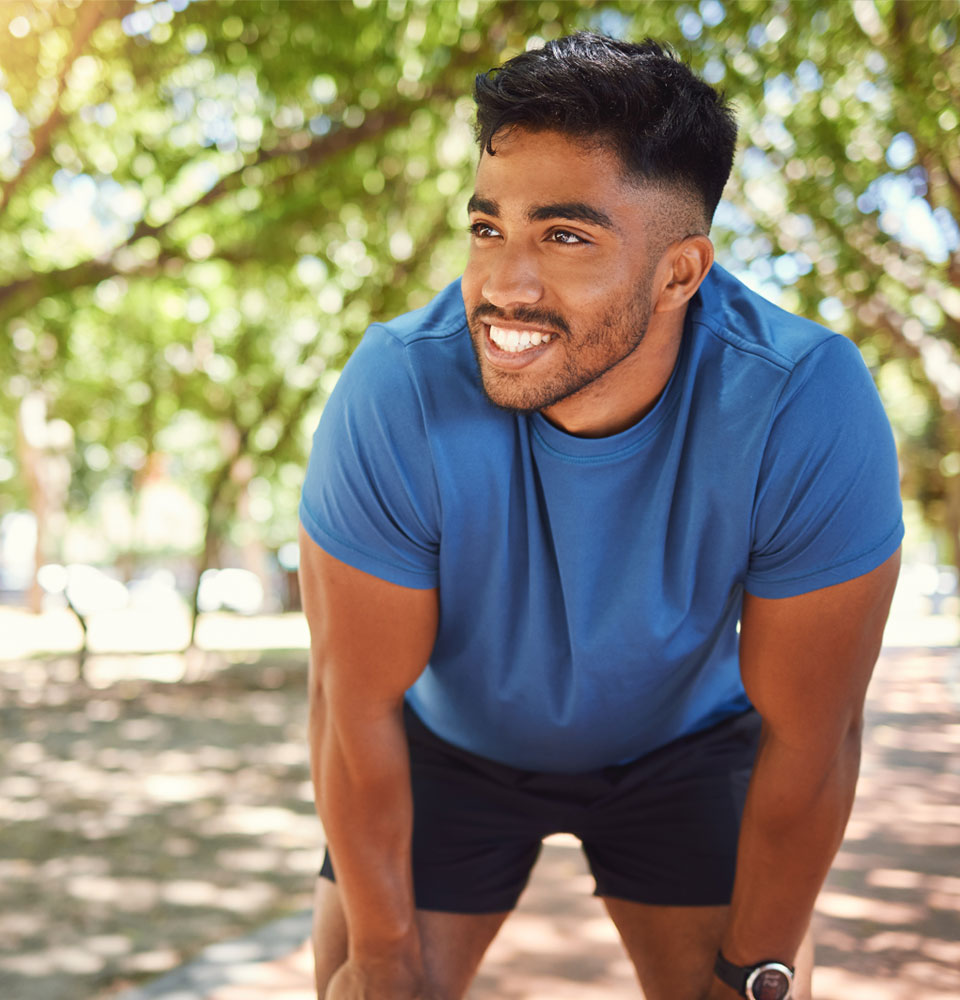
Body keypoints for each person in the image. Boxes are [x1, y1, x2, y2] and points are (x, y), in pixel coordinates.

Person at [297, 32, 903, 1000]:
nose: (504, 285)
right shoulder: (396, 385)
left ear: (680, 274)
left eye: (565, 236)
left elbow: (813, 733)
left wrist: (757, 969)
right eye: (488, 228)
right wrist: (379, 954)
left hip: (686, 748)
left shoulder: (801, 398)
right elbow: (351, 700)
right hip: (446, 746)